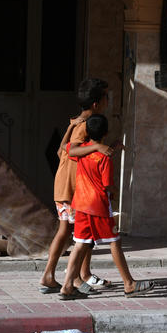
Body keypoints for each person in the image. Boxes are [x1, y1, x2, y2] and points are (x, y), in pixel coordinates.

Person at [59, 113, 155, 300]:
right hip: (98, 206)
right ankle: (129, 284)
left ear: (87, 132)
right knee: (114, 241)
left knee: (79, 245)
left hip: (81, 205)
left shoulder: (83, 150)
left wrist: (71, 128)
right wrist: (115, 191)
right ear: (107, 132)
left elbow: (65, 148)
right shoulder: (104, 158)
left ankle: (67, 286)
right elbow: (106, 184)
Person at [39, 78, 114, 294]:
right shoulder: (84, 125)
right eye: (106, 97)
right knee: (84, 233)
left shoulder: (76, 122)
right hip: (74, 188)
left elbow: (61, 149)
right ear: (96, 104)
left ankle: (52, 275)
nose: (108, 101)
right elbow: (71, 151)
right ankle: (77, 279)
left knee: (67, 231)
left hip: (63, 185)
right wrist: (98, 146)